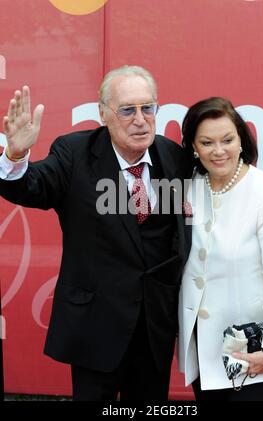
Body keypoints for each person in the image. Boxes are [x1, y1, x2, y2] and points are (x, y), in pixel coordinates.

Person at [0, 65, 189, 401]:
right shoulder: (74, 154)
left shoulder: (172, 157)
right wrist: (15, 155)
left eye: (148, 108)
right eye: (127, 110)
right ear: (104, 114)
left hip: (153, 330)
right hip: (95, 327)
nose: (140, 119)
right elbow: (31, 187)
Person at [178, 97, 263, 401]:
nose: (218, 151)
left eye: (227, 140)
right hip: (203, 353)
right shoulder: (186, 187)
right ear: (193, 146)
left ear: (242, 141)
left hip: (253, 353)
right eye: (207, 142)